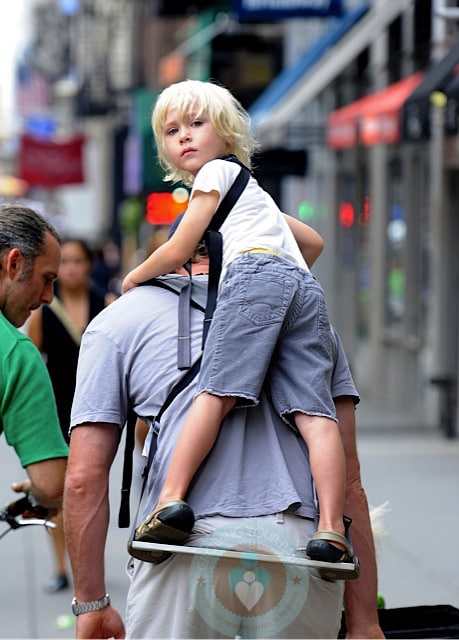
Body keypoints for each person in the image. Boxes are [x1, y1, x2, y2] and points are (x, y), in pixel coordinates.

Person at [64, 248, 384, 639]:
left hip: (180, 545)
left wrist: (91, 602)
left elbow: (84, 478)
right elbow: (350, 481)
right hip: (299, 545)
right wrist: (365, 621)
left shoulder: (118, 320)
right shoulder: (307, 321)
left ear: (176, 252)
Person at [121, 79, 348, 564]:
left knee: (215, 391)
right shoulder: (255, 194)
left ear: (225, 135)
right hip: (303, 289)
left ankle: (170, 499)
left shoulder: (214, 175)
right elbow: (313, 243)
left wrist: (134, 278)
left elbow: (181, 248)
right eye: (171, 130)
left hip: (257, 276)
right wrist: (282, 287)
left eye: (196, 124)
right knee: (315, 414)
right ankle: (330, 528)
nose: (183, 136)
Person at [28, 238, 107, 593]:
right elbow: (32, 361)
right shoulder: (45, 310)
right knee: (57, 492)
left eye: (78, 260)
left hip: (95, 410)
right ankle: (61, 567)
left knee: (89, 491)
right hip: (56, 408)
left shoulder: (105, 302)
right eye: (67, 261)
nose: (71, 268)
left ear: (90, 264)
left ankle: (87, 563)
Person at [0, 203, 68, 512]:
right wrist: (38, 496)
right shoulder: (16, 353)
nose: (48, 297)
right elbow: (53, 486)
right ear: (14, 264)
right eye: (46, 278)